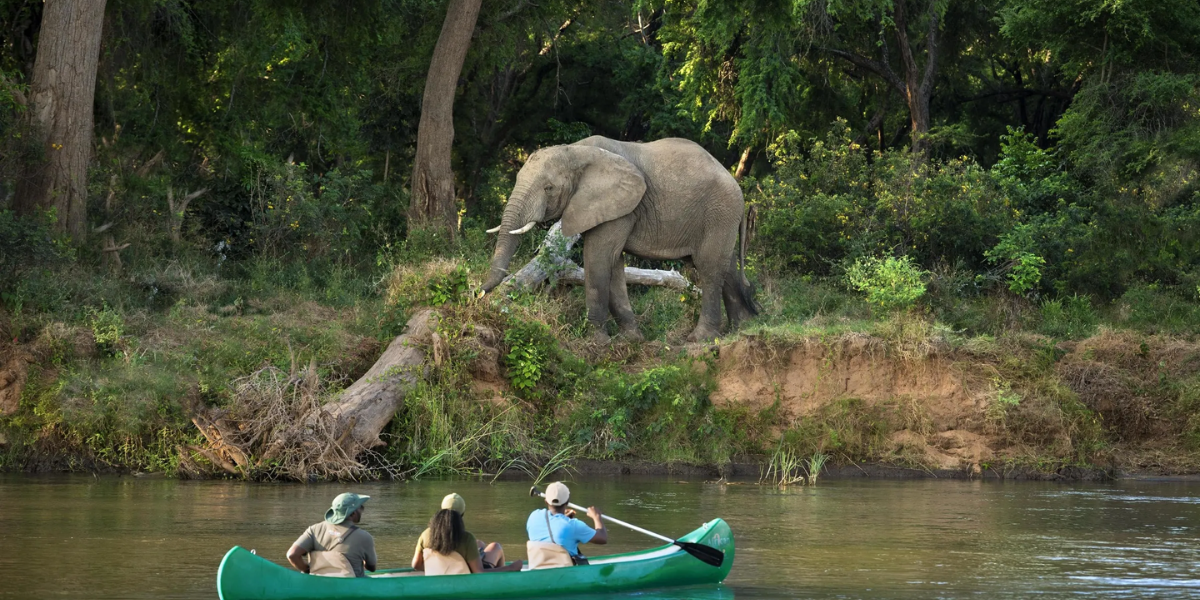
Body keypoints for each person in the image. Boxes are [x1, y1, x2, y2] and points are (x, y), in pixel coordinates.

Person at [412, 493, 523, 573]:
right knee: (496, 547)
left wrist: (439, 569)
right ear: (462, 514)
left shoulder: (425, 535)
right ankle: (501, 583)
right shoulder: (466, 538)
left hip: (438, 576)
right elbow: (479, 573)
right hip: (468, 578)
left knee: (480, 544)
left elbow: (416, 565)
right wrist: (511, 567)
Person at [287, 492, 377, 577]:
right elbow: (372, 568)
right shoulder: (364, 537)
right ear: (352, 513)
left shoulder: (314, 529)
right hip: (352, 584)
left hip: (319, 582)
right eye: (361, 507)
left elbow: (292, 555)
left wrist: (307, 570)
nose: (362, 510)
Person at [526, 482, 606, 566]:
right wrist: (597, 517)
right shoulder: (573, 525)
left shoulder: (533, 516)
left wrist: (563, 518)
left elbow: (551, 530)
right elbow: (602, 538)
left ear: (546, 501)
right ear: (567, 501)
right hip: (565, 573)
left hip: (538, 568)